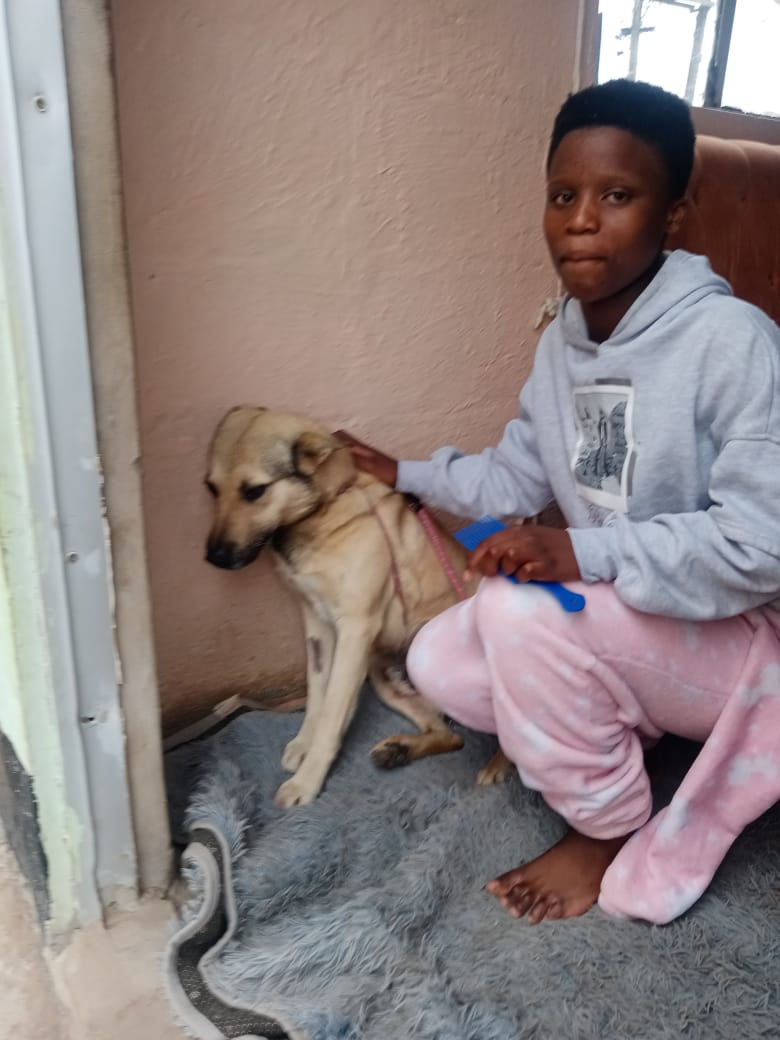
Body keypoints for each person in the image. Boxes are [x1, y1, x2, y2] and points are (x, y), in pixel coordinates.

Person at [337, 78, 780, 926]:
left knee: (514, 613)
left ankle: (607, 825)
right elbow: (513, 480)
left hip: (749, 645)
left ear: (673, 214)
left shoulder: (735, 345)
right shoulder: (564, 348)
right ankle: (625, 726)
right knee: (440, 662)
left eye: (618, 195)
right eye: (563, 195)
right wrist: (404, 474)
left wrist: (583, 555)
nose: (582, 218)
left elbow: (761, 547)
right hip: (640, 619)